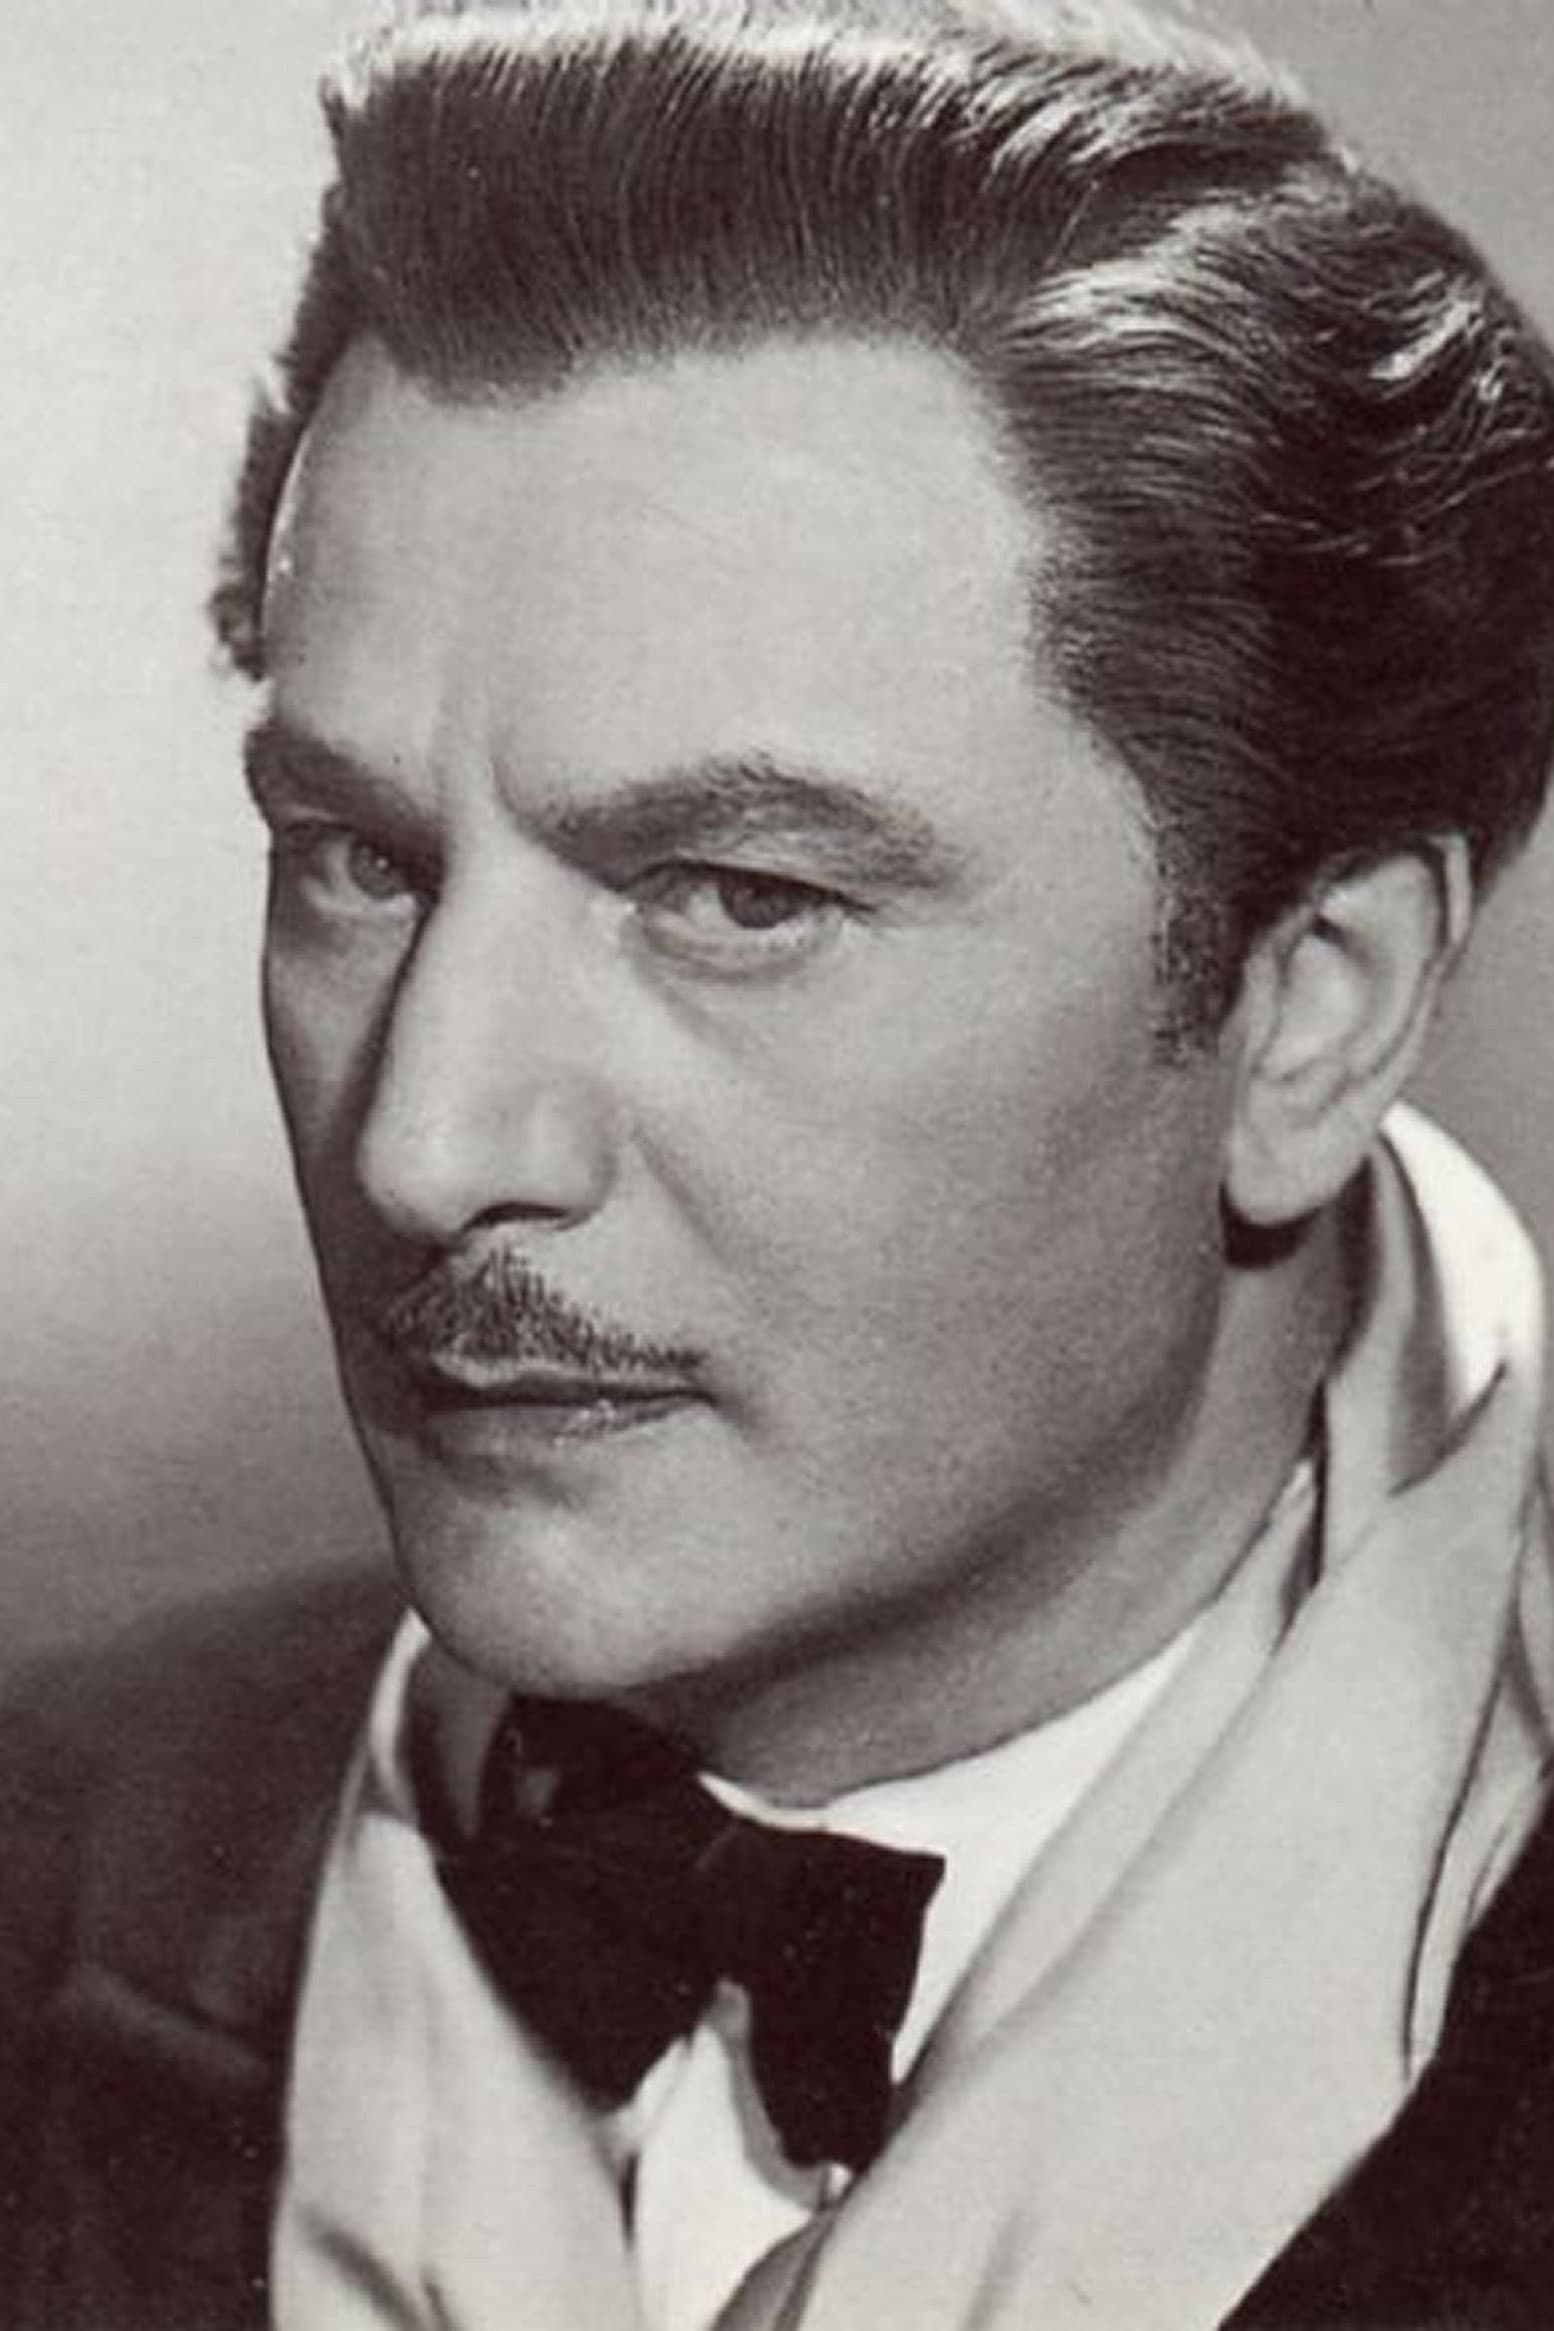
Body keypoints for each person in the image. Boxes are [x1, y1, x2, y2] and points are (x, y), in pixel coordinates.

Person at [5, 1, 1554, 2324]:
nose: (427, 1145)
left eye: (739, 896)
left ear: (1309, 1006)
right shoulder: (50, 1854)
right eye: (359, 858)